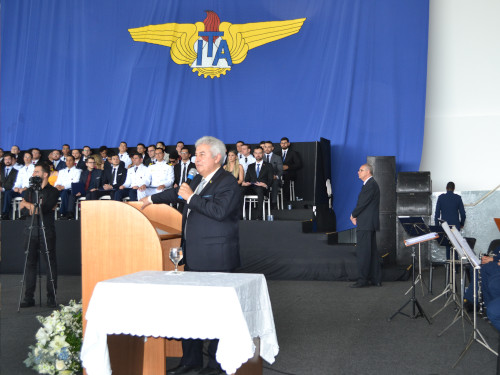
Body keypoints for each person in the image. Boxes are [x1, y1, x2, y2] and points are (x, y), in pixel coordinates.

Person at [140, 136, 240, 375]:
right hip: (193, 256)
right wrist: (149, 199)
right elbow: (177, 192)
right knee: (191, 311)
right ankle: (190, 361)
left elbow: (219, 211)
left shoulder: (228, 183)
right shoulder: (198, 179)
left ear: (217, 157)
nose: (196, 158)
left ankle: (216, 365)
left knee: (216, 313)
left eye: (202, 154)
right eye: (196, 153)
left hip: (217, 258)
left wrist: (191, 198)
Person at [19, 163, 60, 308]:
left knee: (50, 264)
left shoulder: (53, 191)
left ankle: (51, 297)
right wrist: (31, 207)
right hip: (30, 231)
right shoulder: (29, 191)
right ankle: (28, 297)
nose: (34, 174)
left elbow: (42, 210)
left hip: (46, 231)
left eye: (37, 171)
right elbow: (22, 211)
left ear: (45, 174)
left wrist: (28, 205)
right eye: (33, 171)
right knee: (30, 264)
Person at [350, 164, 381, 288]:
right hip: (369, 223)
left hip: (366, 224)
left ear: (368, 172)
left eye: (361, 170)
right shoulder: (371, 184)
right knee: (372, 253)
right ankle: (376, 279)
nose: (358, 172)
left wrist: (353, 215)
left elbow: (362, 203)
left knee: (363, 253)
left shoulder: (370, 185)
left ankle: (362, 280)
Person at [434, 181, 466, 259]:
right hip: (455, 226)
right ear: (454, 189)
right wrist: (461, 224)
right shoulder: (458, 198)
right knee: (456, 246)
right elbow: (463, 214)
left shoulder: (441, 197)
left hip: (445, 226)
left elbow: (437, 214)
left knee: (448, 246)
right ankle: (457, 268)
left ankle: (449, 267)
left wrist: (437, 227)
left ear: (446, 188)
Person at [241, 147, 273, 220]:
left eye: (259, 153)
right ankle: (240, 215)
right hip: (251, 186)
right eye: (256, 153)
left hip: (262, 187)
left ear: (263, 154)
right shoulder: (250, 166)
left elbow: (271, 179)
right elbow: (247, 179)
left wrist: (265, 185)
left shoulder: (268, 165)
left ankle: (259, 216)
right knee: (241, 189)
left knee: (259, 189)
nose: (258, 155)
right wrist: (245, 183)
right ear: (253, 154)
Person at [54, 155, 82, 219]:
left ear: (74, 161)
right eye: (67, 160)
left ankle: (63, 213)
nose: (68, 162)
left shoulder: (78, 171)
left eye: (70, 160)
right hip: (61, 190)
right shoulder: (61, 171)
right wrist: (57, 185)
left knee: (65, 193)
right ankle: (66, 213)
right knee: (63, 193)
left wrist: (63, 187)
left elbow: (75, 182)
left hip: (72, 189)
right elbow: (58, 181)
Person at [279, 137, 302, 205]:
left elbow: (299, 164)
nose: (283, 144)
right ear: (280, 144)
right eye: (282, 143)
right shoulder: (277, 153)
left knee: (286, 177)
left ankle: (285, 199)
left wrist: (288, 167)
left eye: (285, 143)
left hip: (290, 173)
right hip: (279, 173)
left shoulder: (293, 153)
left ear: (288, 144)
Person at [263, 141, 283, 208]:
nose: (267, 149)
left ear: (272, 148)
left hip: (274, 179)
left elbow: (280, 170)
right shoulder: (260, 157)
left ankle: (273, 203)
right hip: (263, 179)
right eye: (265, 147)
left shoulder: (277, 157)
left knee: (275, 182)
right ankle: (262, 202)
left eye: (269, 147)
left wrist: (276, 176)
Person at [1, 153, 19, 219]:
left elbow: (14, 183)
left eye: (8, 159)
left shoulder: (16, 171)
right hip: (2, 190)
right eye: (5, 159)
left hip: (11, 190)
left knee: (6, 193)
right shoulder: (1, 171)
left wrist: (3, 188)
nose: (7, 161)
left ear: (12, 160)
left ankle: (4, 214)